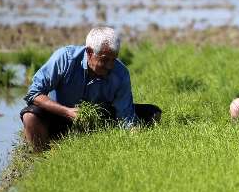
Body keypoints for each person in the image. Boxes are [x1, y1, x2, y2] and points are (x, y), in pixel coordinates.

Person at [20, 26, 161, 151]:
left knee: (153, 113)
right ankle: (42, 157)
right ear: (89, 52)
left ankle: (95, 142)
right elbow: (34, 93)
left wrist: (135, 138)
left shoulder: (121, 73)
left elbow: (125, 116)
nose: (110, 66)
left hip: (99, 119)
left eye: (114, 59)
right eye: (105, 59)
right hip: (60, 116)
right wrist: (67, 111)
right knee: (30, 116)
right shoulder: (65, 59)